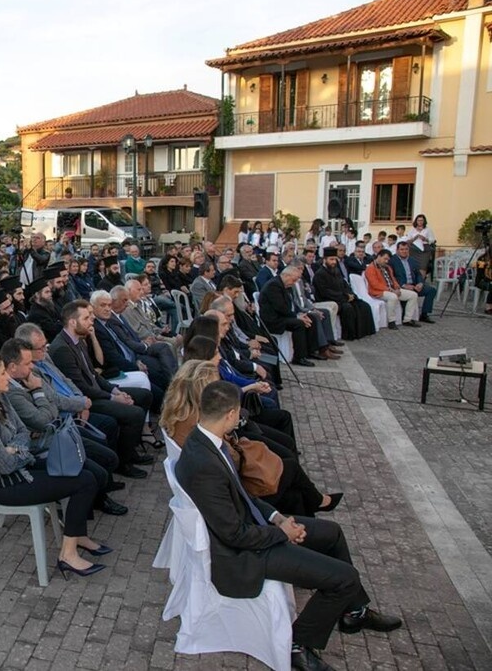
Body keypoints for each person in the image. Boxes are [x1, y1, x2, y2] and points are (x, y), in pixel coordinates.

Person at [175, 380, 401, 671]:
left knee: (332, 533)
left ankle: (354, 611)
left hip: (255, 530)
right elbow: (233, 534)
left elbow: (243, 497)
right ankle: (297, 645)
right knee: (345, 578)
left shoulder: (206, 441)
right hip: (242, 555)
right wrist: (281, 533)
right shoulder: (204, 462)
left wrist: (277, 517)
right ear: (231, 414)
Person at [0, 352, 108, 577]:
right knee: (84, 481)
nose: (7, 378)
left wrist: (14, 449)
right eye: (2, 373)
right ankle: (67, 555)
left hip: (21, 468)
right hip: (5, 485)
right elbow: (5, 465)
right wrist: (14, 453)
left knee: (82, 468)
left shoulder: (0, 398)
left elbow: (23, 434)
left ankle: (77, 535)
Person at [162, 356, 338, 517]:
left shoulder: (179, 413)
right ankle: (318, 502)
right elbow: (230, 461)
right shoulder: (198, 425)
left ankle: (310, 517)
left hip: (223, 484)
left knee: (295, 495)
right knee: (290, 467)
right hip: (235, 492)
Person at [1, 338, 127, 516]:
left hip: (59, 431)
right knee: (97, 471)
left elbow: (53, 402)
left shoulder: (29, 375)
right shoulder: (12, 391)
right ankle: (94, 501)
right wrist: (38, 393)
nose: (32, 366)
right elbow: (43, 420)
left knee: (107, 455)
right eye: (28, 363)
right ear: (12, 367)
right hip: (45, 443)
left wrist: (61, 404)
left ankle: (96, 497)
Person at [48, 300, 157, 479]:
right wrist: (113, 398)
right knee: (135, 413)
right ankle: (124, 463)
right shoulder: (61, 348)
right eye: (86, 317)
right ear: (72, 322)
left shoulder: (79, 340)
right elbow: (82, 387)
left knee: (144, 396)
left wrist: (115, 391)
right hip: (86, 400)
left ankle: (129, 451)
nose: (92, 320)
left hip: (97, 391)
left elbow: (93, 374)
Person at [258, 268, 320, 367]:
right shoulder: (273, 285)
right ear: (286, 276)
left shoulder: (285, 285)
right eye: (293, 280)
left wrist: (300, 314)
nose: (294, 283)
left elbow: (291, 305)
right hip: (273, 319)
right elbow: (280, 307)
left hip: (283, 315)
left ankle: (311, 351)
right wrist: (297, 316)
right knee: (299, 324)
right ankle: (299, 357)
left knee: (310, 317)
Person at [313, 247, 376, 340]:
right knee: (348, 308)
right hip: (329, 299)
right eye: (331, 259)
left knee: (364, 305)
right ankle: (348, 335)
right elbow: (325, 292)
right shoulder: (320, 274)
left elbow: (345, 284)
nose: (334, 262)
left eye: (335, 259)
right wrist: (345, 297)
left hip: (342, 297)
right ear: (324, 260)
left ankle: (363, 333)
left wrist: (350, 294)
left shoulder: (336, 270)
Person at [364, 250, 419, 329]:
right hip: (379, 292)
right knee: (392, 297)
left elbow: (393, 279)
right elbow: (375, 284)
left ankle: (407, 319)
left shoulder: (387, 267)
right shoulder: (371, 268)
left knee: (413, 295)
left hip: (392, 290)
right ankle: (391, 321)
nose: (386, 261)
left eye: (388, 260)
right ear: (379, 256)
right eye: (385, 259)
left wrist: (397, 287)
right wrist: (391, 290)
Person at [391, 241, 436, 323]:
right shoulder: (392, 260)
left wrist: (420, 283)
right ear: (397, 250)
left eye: (406, 249)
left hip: (414, 285)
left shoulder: (412, 260)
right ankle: (406, 317)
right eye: (402, 249)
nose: (404, 251)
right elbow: (392, 276)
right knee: (408, 295)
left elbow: (418, 274)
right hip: (402, 286)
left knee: (431, 290)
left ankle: (424, 314)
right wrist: (403, 285)